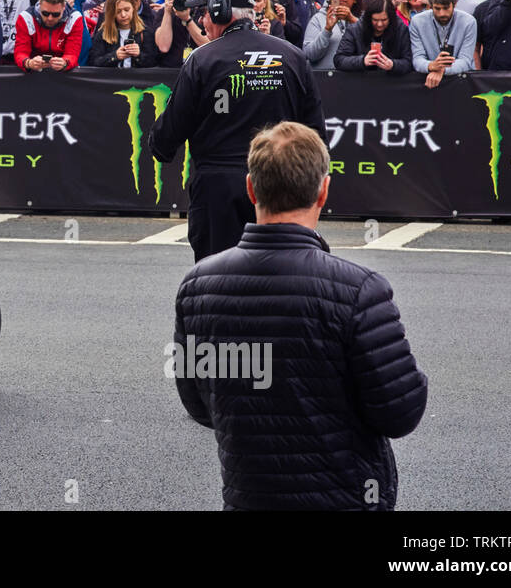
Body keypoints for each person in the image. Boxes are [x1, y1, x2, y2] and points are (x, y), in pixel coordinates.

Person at [172, 122, 428, 510]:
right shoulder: (359, 290)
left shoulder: (197, 286)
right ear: (323, 191)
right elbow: (400, 412)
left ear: (251, 188)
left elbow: (198, 404)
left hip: (248, 496)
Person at [150, 0, 325, 262]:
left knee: (217, 278)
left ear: (219, 11)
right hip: (280, 184)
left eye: (205, 12)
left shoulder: (202, 59)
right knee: (281, 272)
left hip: (220, 189)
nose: (203, 20)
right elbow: (316, 136)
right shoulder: (292, 56)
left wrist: (158, 145)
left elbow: (165, 138)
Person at [410, 0, 477, 88]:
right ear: (430, 6)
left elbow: (465, 61)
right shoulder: (417, 22)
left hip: (461, 82)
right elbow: (417, 58)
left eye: (446, 8)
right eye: (437, 8)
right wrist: (431, 66)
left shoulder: (468, 22)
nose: (442, 13)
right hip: (429, 81)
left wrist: (441, 69)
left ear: (454, 4)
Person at [333, 0, 412, 74]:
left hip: (392, 82)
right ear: (369, 18)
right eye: (375, 20)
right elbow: (339, 60)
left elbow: (408, 62)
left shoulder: (400, 29)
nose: (380, 24)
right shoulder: (355, 29)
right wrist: (362, 61)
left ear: (391, 18)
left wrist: (393, 65)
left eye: (384, 20)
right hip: (361, 81)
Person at [14, 0, 84, 72]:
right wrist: (29, 63)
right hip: (33, 72)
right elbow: (20, 52)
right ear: (39, 5)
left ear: (64, 7)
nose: (50, 18)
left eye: (56, 14)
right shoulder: (26, 18)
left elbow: (72, 54)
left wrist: (65, 63)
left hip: (63, 73)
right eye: (45, 13)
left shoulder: (74, 18)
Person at [302, 0, 359, 71]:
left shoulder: (361, 19)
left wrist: (353, 20)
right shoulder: (318, 19)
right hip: (325, 79)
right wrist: (327, 30)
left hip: (354, 78)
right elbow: (309, 55)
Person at [88, 0, 155, 68]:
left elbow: (153, 62)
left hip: (136, 79)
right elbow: (93, 61)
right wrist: (114, 56)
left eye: (127, 10)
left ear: (133, 8)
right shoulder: (103, 33)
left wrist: (138, 55)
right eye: (118, 11)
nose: (123, 15)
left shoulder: (145, 32)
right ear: (111, 13)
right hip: (112, 79)